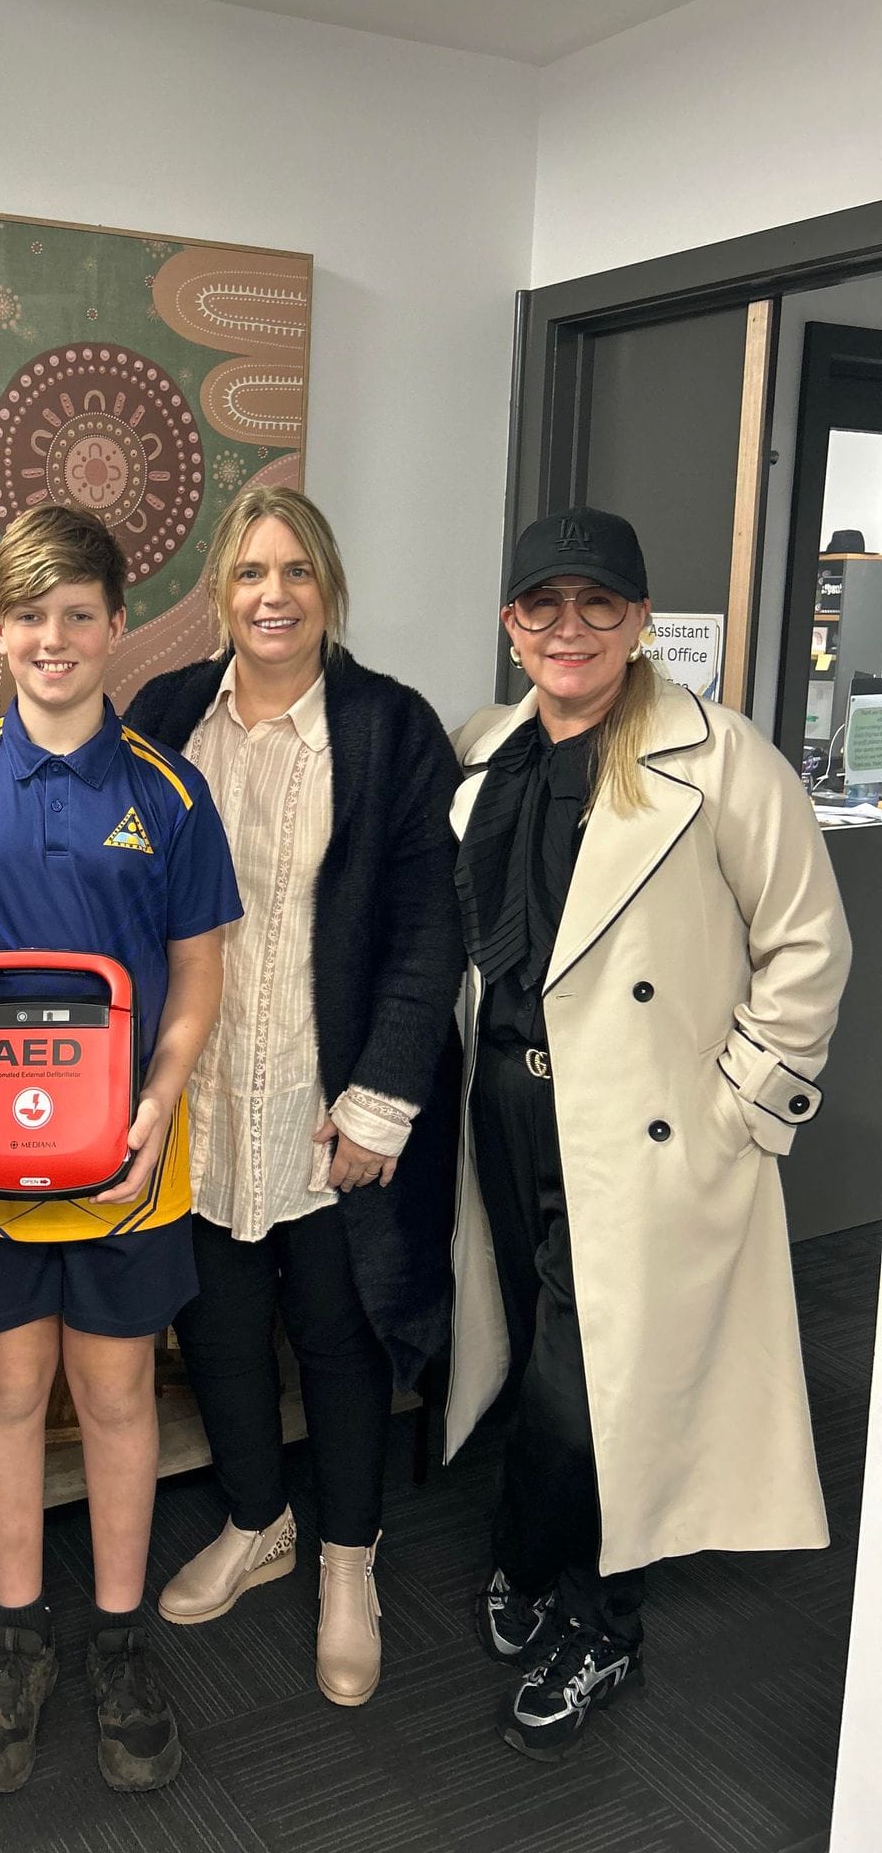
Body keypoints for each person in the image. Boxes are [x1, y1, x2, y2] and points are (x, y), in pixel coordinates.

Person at [447, 507, 850, 1760]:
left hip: (649, 1133)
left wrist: (742, 1109)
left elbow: (809, 946)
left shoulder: (727, 760)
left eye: (599, 605)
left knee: (589, 1384)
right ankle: (536, 1548)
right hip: (506, 1107)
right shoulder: (483, 749)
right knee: (533, 1346)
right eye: (542, 605)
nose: (570, 628)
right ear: (511, 623)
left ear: (637, 618)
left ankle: (599, 1613)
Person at [0, 504, 242, 1795]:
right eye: (30, 615)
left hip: (130, 1157)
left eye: (78, 615)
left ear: (118, 627)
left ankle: (119, 1634)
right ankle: (19, 1632)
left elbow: (199, 974)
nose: (54, 639)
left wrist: (165, 1094)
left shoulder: (166, 790)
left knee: (119, 1395)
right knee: (8, 1391)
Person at [124, 487, 464, 1706]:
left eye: (298, 572)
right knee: (213, 1328)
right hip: (200, 1096)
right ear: (223, 592)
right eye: (253, 572)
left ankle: (346, 1560)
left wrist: (381, 1096)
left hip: (328, 1104)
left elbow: (430, 927)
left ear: (329, 589)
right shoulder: (165, 716)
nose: (274, 595)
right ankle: (260, 1520)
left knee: (337, 1334)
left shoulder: (388, 727)